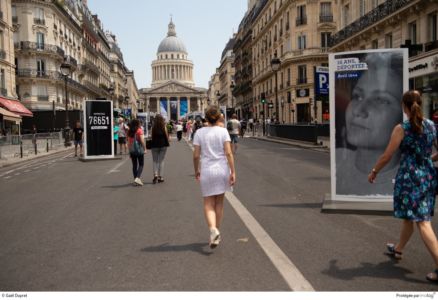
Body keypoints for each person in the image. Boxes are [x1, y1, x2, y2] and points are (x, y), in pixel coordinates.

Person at [368, 90, 438, 283]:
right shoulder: (432, 125)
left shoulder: (402, 128)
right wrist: (427, 159)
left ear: (404, 107)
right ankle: (398, 249)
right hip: (428, 177)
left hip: (410, 178)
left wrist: (374, 171)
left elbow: (387, 155)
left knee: (422, 221)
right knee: (411, 217)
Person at [335, 51, 404, 195]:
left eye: (380, 100)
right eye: (357, 96)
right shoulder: (337, 160)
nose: (359, 111)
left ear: (402, 115)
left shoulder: (407, 180)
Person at [193, 106, 236, 249]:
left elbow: (196, 155)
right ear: (218, 117)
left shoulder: (199, 132)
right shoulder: (223, 131)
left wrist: (196, 170)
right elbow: (229, 153)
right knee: (219, 203)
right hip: (222, 169)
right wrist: (233, 171)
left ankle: (213, 230)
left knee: (208, 203)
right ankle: (216, 231)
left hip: (207, 170)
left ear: (206, 117)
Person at [150, 114, 170, 184]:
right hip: (163, 144)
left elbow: (151, 136)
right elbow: (166, 135)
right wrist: (168, 141)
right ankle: (160, 177)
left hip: (154, 145)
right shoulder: (163, 126)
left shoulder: (153, 127)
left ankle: (155, 174)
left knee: (155, 161)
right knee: (161, 161)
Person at [127, 119, 146, 186]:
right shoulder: (139, 130)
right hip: (139, 150)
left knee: (134, 165)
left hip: (132, 150)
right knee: (141, 164)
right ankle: (137, 178)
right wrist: (145, 148)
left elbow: (128, 143)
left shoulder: (129, 131)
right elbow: (141, 140)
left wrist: (129, 152)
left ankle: (135, 180)